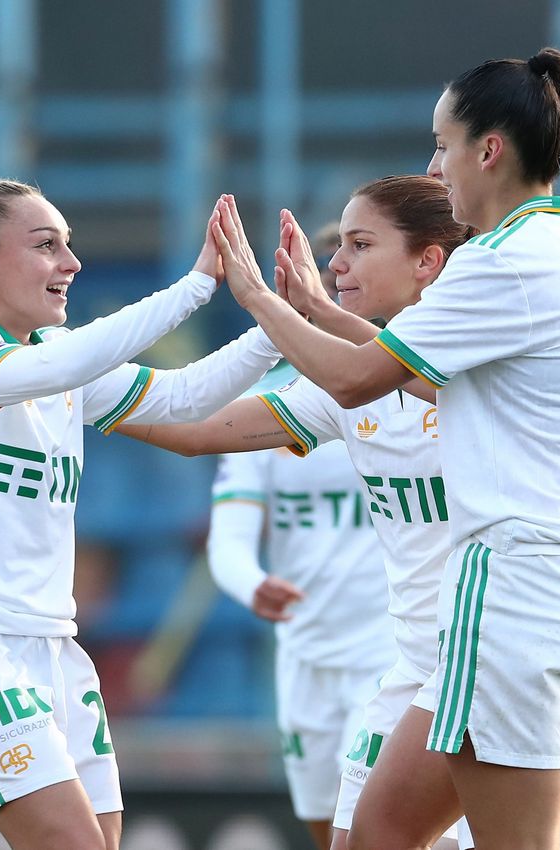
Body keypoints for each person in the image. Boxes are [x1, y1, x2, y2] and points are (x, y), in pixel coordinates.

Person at [119, 174, 560, 850]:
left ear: (428, 262)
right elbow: (197, 429)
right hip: (411, 671)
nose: (336, 262)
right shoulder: (355, 384)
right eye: (339, 244)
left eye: (359, 244)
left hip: (493, 655)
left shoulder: (493, 375)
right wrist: (65, 385)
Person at [0, 150, 284, 850]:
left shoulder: (49, 353)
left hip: (52, 650)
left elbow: (183, 400)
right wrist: (193, 287)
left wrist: (284, 317)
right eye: (46, 246)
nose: (71, 262)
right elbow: (67, 363)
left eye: (68, 243)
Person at [205, 229, 395, 850]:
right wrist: (253, 583)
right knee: (325, 826)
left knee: (368, 827)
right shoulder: (273, 404)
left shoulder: (410, 391)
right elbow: (228, 538)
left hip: (388, 652)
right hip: (305, 654)